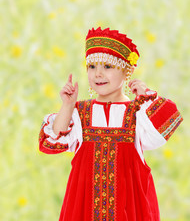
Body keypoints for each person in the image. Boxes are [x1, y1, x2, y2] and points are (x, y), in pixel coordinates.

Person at [39, 27, 183, 221]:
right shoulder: (81, 112)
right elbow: (53, 142)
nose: (98, 74)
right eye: (92, 67)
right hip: (83, 206)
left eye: (107, 66)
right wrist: (68, 105)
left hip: (128, 206)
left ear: (127, 71)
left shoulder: (137, 112)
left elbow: (165, 123)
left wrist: (146, 96)